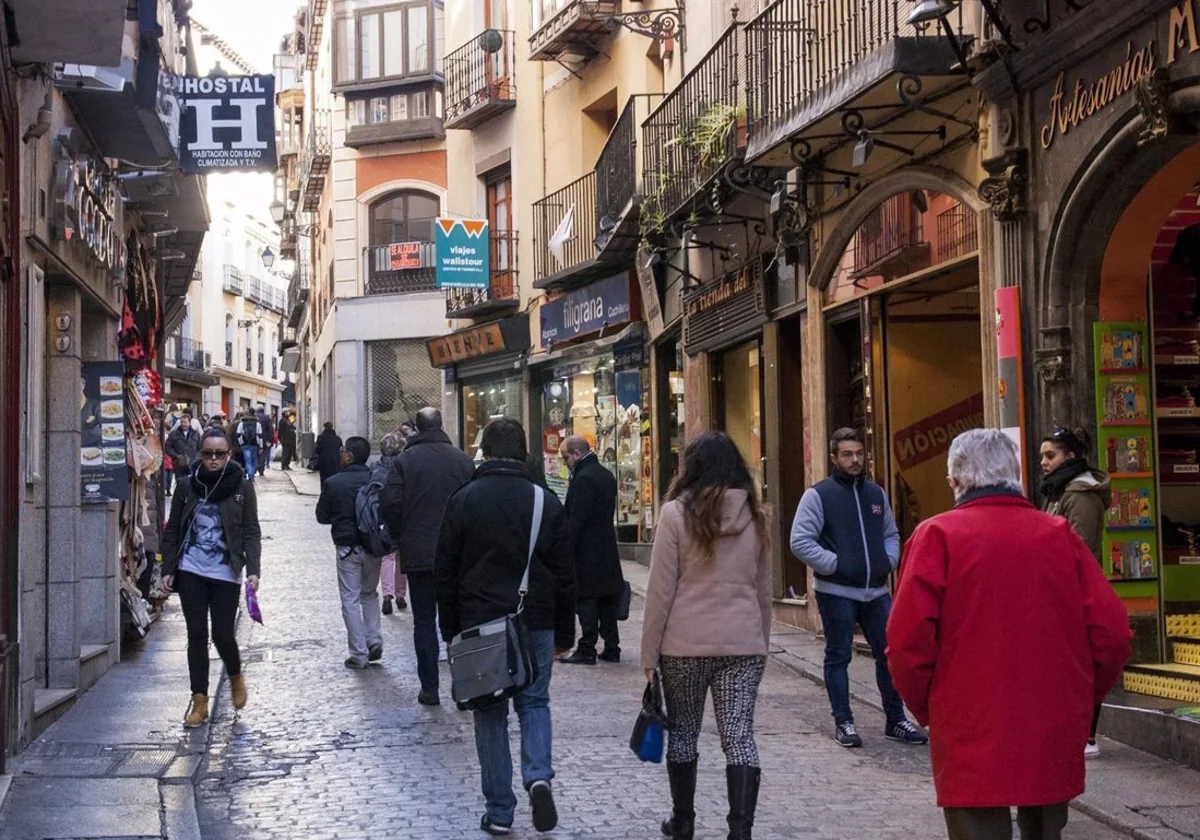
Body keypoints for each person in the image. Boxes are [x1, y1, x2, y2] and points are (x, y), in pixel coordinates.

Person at [887, 429, 1131, 840]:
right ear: (1015, 475)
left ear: (955, 481)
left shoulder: (937, 537)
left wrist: (929, 709)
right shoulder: (1058, 536)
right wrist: (1082, 698)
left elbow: (906, 644)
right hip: (1051, 719)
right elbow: (1112, 633)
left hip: (967, 721)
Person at [434, 418, 575, 836]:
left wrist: (450, 631)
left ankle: (499, 810)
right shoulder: (545, 501)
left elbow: (445, 572)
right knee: (535, 703)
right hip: (537, 619)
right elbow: (566, 573)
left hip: (481, 626)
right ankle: (539, 777)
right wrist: (566, 633)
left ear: (486, 451)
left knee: (490, 713)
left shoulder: (462, 500)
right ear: (523, 452)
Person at [642, 431, 772, 840]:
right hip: (742, 644)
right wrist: (760, 642)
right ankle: (741, 831)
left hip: (684, 644)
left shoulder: (676, 514)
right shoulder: (756, 514)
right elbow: (763, 590)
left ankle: (683, 821)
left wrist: (649, 655)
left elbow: (660, 590)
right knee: (739, 735)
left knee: (683, 733)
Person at [788, 427, 926, 748]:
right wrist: (835, 565)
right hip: (836, 593)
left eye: (859, 454)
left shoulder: (876, 495)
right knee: (838, 656)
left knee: (890, 655)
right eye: (847, 454)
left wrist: (887, 560)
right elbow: (799, 541)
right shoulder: (819, 495)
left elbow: (891, 534)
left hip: (877, 592)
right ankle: (844, 722)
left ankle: (896, 719)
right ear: (834, 457)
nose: (855, 460)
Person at [161, 428, 261, 728]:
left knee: (222, 634)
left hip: (225, 571)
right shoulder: (186, 486)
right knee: (196, 635)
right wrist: (168, 569)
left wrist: (253, 569)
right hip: (191, 569)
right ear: (200, 455)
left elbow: (250, 530)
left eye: (219, 453)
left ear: (229, 454)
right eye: (208, 454)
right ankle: (200, 700)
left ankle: (235, 674)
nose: (213, 459)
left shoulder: (242, 487)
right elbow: (173, 528)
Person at [380, 407, 474, 705]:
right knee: (458, 622)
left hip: (420, 553)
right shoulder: (463, 460)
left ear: (417, 429)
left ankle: (430, 687)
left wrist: (400, 535)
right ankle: (463, 686)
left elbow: (390, 502)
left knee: (424, 622)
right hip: (457, 554)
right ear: (441, 425)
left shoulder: (405, 462)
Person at [1039, 425, 1113, 758]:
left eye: (1049, 455)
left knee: (1081, 665)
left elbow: (1079, 551)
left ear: (1070, 457)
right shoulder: (1060, 491)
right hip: (1059, 591)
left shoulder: (1079, 495)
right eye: (1042, 455)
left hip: (1076, 593)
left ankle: (1087, 737)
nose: (1043, 461)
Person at [557, 436, 625, 665]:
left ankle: (587, 648)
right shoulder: (606, 475)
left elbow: (577, 518)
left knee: (586, 598)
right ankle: (612, 647)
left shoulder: (583, 478)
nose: (565, 462)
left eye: (566, 457)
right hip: (606, 546)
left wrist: (566, 546)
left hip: (587, 549)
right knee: (607, 599)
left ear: (577, 453)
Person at [316, 436, 383, 669]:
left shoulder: (334, 483)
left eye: (343, 450)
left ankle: (359, 653)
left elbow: (321, 516)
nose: (341, 453)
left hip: (347, 547)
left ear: (349, 455)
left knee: (350, 599)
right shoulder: (375, 479)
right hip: (373, 546)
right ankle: (374, 639)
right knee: (370, 594)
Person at [376, 432, 408, 615]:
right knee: (401, 558)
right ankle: (401, 595)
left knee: (387, 557)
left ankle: (387, 594)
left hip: (382, 516)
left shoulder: (376, 468)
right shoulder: (404, 467)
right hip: (402, 515)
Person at [165, 414, 201, 491]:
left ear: (189, 423)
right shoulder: (174, 434)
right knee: (180, 485)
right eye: (181, 422)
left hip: (192, 464)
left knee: (192, 485)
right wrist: (176, 456)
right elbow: (167, 447)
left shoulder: (196, 434)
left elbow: (200, 448)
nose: (183, 424)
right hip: (179, 465)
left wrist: (197, 458)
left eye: (185, 422)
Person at [235, 410, 264, 481]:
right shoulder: (258, 424)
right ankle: (252, 475)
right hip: (255, 445)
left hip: (245, 445)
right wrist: (261, 446)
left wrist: (241, 443)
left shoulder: (241, 424)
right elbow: (260, 436)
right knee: (254, 461)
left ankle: (250, 475)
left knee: (248, 461)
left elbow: (238, 435)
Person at [315, 422, 343, 487]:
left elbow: (317, 450)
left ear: (324, 427)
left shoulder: (321, 438)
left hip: (324, 461)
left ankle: (324, 492)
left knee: (324, 478)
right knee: (335, 476)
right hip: (336, 460)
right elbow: (340, 449)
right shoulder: (338, 439)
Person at [256, 408, 276, 476]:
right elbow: (271, 430)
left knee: (256, 454)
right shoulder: (267, 418)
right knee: (262, 455)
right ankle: (261, 469)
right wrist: (269, 440)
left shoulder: (254, 417)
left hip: (255, 438)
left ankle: (256, 467)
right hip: (264, 439)